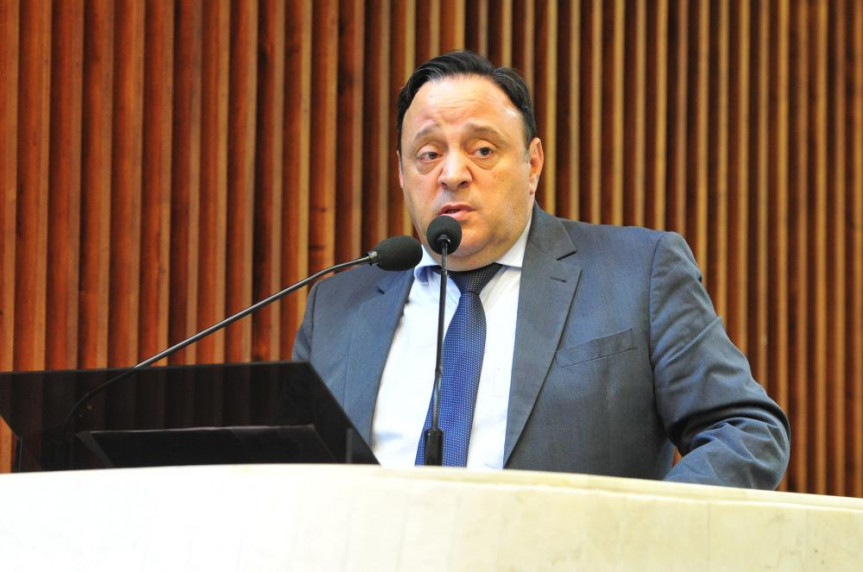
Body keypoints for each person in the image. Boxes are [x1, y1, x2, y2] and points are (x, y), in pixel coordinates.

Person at [292, 50, 790, 488]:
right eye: (428, 154)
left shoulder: (637, 274)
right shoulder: (336, 308)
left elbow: (746, 430)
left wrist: (639, 533)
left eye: (482, 150)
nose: (453, 174)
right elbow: (292, 471)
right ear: (402, 174)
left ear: (532, 164)